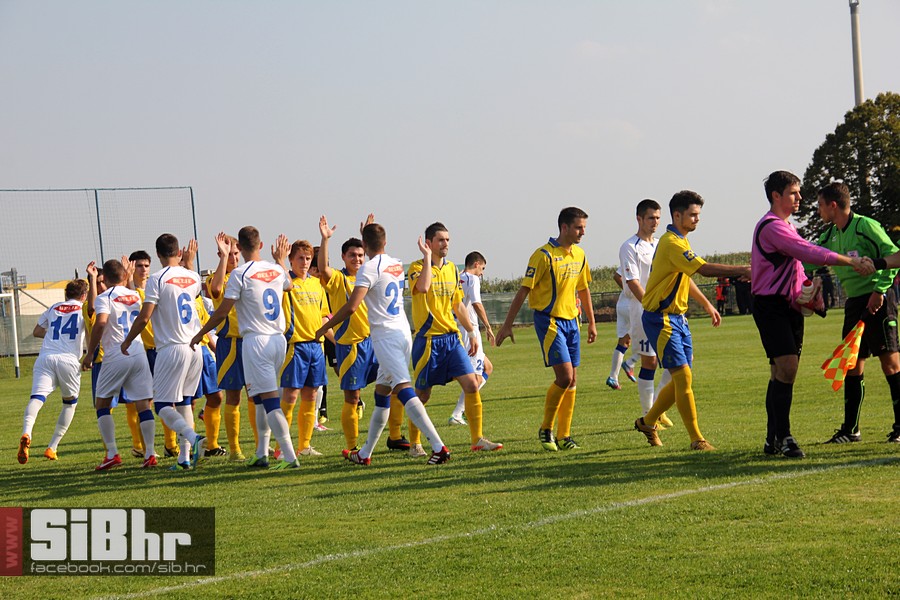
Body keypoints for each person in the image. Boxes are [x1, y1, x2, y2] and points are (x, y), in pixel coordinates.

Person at [749, 172, 871, 458]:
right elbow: (807, 251)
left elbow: (798, 265)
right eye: (794, 193)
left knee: (781, 371)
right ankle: (785, 436)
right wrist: (851, 262)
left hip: (789, 307)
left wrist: (810, 289)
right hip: (770, 306)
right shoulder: (771, 227)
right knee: (787, 367)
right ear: (776, 196)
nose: (800, 198)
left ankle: (772, 439)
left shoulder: (787, 226)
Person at [315, 220, 451, 465]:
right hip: (402, 331)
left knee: (403, 389)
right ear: (386, 242)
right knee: (382, 393)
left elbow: (353, 305)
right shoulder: (396, 263)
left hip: (385, 337)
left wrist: (325, 327)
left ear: (364, 245)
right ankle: (365, 453)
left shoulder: (368, 269)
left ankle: (439, 446)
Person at [633, 191, 751, 451]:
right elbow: (703, 269)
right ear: (677, 215)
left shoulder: (681, 242)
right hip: (661, 319)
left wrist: (707, 305)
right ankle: (697, 439)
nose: (697, 219)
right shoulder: (672, 243)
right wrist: (742, 270)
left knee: (680, 379)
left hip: (678, 319)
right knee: (683, 377)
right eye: (693, 214)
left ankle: (647, 421)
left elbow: (687, 277)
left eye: (698, 214)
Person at [191, 227, 299, 470]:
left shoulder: (240, 274)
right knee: (259, 398)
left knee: (269, 399)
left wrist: (200, 333)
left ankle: (290, 456)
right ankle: (261, 452)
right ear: (261, 245)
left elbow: (221, 310)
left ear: (239, 246)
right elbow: (289, 286)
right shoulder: (274, 269)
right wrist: (281, 259)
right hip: (277, 340)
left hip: (256, 342)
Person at [496, 207, 597, 452]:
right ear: (564, 227)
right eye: (578, 228)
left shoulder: (580, 254)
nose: (583, 232)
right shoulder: (543, 255)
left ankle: (565, 435)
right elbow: (524, 290)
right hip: (549, 321)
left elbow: (583, 290)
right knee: (564, 377)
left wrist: (592, 322)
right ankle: (546, 429)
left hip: (572, 322)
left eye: (584, 227)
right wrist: (508, 325)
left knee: (573, 380)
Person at [815, 181, 900, 444]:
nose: (818, 211)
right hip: (854, 304)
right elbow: (808, 258)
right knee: (851, 364)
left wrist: (880, 290)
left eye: (820, 206)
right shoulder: (828, 236)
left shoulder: (865, 226)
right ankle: (851, 429)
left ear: (832, 205)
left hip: (881, 298)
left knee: (891, 363)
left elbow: (895, 256)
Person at [409, 223, 502, 455]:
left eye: (448, 240)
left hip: (452, 340)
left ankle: (477, 439)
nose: (446, 244)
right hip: (428, 341)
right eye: (440, 240)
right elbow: (423, 287)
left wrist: (471, 332)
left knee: (472, 384)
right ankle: (414, 444)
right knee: (423, 394)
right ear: (429, 243)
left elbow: (457, 303)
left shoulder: (452, 269)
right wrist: (428, 258)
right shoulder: (416, 267)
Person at [122, 234, 207, 470]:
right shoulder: (192, 276)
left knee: (161, 405)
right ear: (179, 252)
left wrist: (128, 340)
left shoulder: (157, 278)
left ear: (158, 254)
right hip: (195, 347)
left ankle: (193, 439)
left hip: (172, 348)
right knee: (185, 403)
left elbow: (145, 316)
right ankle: (184, 459)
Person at [81, 259, 158, 470]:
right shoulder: (133, 295)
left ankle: (113, 453)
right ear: (125, 275)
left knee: (102, 404)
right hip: (138, 351)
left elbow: (101, 322)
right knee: (143, 404)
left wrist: (90, 354)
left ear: (104, 277)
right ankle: (150, 453)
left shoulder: (105, 297)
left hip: (116, 353)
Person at [318, 216, 381, 453]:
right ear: (344, 257)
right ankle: (352, 447)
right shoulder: (338, 279)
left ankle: (395, 436)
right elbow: (323, 268)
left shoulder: (369, 276)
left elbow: (379, 262)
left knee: (394, 385)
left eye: (360, 255)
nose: (357, 259)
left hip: (374, 343)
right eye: (352, 255)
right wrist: (325, 240)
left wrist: (368, 237)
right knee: (352, 398)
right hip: (350, 346)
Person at [17, 279, 88, 464]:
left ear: (66, 294)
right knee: (69, 404)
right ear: (84, 296)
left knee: (37, 398)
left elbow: (37, 331)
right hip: (68, 360)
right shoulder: (84, 309)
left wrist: (53, 336)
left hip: (46, 357)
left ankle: (27, 431)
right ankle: (52, 447)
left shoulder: (54, 307)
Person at [617, 199, 673, 427]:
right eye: (651, 218)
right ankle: (649, 414)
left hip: (666, 311)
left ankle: (658, 408)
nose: (655, 222)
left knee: (676, 362)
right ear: (639, 219)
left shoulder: (662, 244)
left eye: (658, 218)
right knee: (649, 363)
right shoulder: (629, 247)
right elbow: (632, 282)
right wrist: (650, 305)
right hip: (642, 311)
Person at [275, 239, 329, 457]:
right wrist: (279, 260)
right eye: (300, 258)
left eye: (308, 258)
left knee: (312, 395)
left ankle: (304, 445)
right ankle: (281, 448)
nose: (305, 262)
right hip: (295, 346)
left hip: (317, 347)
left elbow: (324, 316)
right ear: (290, 260)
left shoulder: (317, 284)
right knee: (290, 396)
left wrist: (337, 339)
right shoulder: (286, 282)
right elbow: (282, 283)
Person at [206, 232, 254, 461]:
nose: (233, 257)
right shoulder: (218, 277)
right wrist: (223, 258)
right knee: (233, 397)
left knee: (256, 396)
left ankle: (259, 445)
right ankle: (235, 449)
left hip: (252, 341)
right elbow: (215, 290)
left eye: (235, 253)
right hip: (230, 343)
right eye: (229, 253)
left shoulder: (247, 275)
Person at [448, 251, 495, 426]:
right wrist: (488, 327)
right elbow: (477, 303)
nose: (482, 273)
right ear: (476, 264)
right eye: (482, 268)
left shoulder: (458, 277)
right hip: (470, 330)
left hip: (459, 328)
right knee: (473, 377)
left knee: (487, 367)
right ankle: (458, 413)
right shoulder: (471, 278)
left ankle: (464, 409)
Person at [606, 269, 638, 390]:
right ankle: (631, 362)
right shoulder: (647, 256)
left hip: (623, 304)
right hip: (633, 305)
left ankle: (613, 377)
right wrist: (633, 292)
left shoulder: (630, 255)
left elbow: (617, 276)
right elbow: (617, 276)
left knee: (624, 341)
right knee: (652, 334)